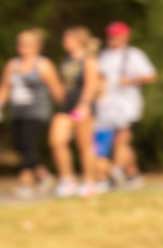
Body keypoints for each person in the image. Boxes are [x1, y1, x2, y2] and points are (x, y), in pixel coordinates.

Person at [0, 29, 63, 198]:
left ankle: (26, 183)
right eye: (20, 44)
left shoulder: (43, 65)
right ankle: (45, 176)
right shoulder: (12, 65)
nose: (22, 47)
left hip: (37, 113)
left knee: (29, 145)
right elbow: (5, 88)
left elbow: (56, 89)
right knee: (20, 147)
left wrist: (65, 111)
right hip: (17, 112)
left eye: (27, 44)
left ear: (36, 46)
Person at [98, 21, 157, 188]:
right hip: (107, 105)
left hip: (126, 104)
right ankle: (132, 173)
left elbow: (150, 76)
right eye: (110, 34)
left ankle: (116, 171)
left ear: (125, 36)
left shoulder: (134, 55)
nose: (112, 38)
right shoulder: (104, 55)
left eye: (115, 35)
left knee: (121, 138)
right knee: (120, 141)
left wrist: (130, 80)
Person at [50, 26, 100, 198]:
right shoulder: (66, 60)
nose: (65, 42)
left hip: (81, 107)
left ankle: (89, 182)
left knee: (84, 145)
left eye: (68, 39)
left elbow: (91, 84)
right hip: (66, 107)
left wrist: (84, 105)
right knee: (57, 140)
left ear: (78, 41)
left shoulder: (88, 60)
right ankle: (67, 179)